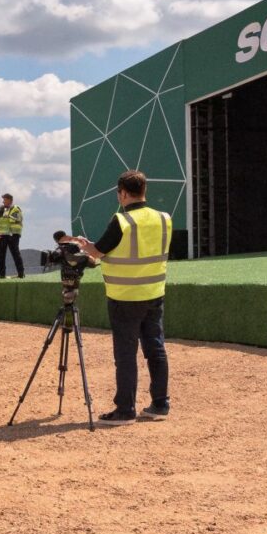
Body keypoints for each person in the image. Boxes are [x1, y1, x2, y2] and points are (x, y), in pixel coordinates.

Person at [70, 169, 173, 424]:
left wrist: (85, 246)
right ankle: (160, 404)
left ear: (123, 193)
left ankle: (125, 409)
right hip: (154, 292)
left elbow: (100, 251)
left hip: (124, 296)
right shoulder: (164, 218)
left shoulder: (122, 221)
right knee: (156, 349)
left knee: (126, 354)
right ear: (144, 190)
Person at [0, 194, 25, 278]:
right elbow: (1, 221)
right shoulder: (2, 210)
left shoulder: (15, 209)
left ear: (10, 200)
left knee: (15, 254)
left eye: (4, 200)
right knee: (1, 255)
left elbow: (11, 220)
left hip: (12, 234)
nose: (3, 201)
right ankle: (2, 275)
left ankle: (21, 274)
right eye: (3, 200)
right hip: (1, 235)